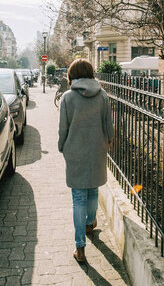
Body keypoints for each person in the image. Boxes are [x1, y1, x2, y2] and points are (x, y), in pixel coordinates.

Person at [57, 59, 114, 263]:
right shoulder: (103, 96)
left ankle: (80, 248)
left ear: (72, 74)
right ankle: (91, 223)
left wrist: (62, 146)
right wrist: (108, 140)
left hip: (75, 151)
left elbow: (63, 127)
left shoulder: (67, 97)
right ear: (91, 73)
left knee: (78, 198)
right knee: (93, 190)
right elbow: (108, 123)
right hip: (96, 149)